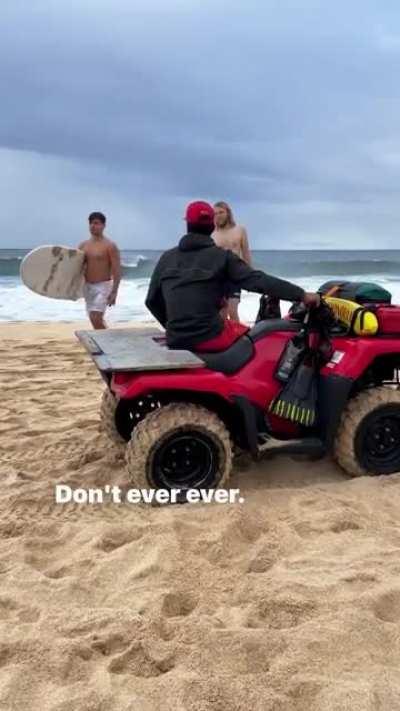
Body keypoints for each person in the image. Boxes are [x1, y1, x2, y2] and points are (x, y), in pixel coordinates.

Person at [145, 201, 320, 352]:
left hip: (176, 338)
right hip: (210, 337)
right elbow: (258, 280)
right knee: (255, 339)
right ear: (212, 226)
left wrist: (175, 327)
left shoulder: (166, 258)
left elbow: (151, 301)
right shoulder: (222, 257)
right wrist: (302, 295)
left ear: (187, 224)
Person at [78, 212, 121, 329]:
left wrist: (114, 292)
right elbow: (76, 267)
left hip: (103, 286)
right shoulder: (83, 245)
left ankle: (107, 343)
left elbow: (117, 269)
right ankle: (106, 341)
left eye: (96, 223)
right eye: (91, 223)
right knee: (95, 319)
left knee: (95, 316)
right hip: (87, 286)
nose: (92, 226)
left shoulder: (110, 245)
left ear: (103, 225)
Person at [212, 201, 251, 321]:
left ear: (228, 213)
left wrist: (249, 276)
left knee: (232, 310)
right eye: (215, 213)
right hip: (219, 277)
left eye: (221, 212)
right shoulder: (213, 234)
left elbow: (246, 253)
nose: (218, 215)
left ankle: (239, 338)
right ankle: (225, 339)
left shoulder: (240, 230)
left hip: (235, 276)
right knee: (221, 314)